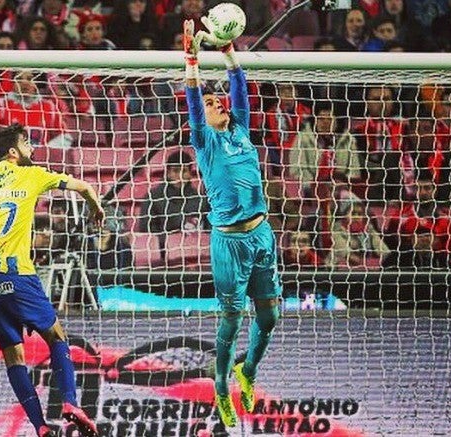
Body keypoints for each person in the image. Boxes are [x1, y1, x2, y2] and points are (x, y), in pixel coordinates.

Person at [0, 123, 103, 437]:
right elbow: (84, 188)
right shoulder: (33, 175)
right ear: (13, 152)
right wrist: (96, 209)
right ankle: (70, 402)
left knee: (13, 354)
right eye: (26, 143)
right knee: (56, 337)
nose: (31, 148)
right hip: (19, 276)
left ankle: (40, 426)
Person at [182, 21, 281, 427]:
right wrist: (190, 58)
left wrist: (227, 50)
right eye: (211, 104)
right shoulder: (204, 140)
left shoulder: (241, 128)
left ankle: (249, 371)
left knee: (270, 316)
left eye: (219, 101)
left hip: (261, 234)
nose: (218, 103)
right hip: (229, 243)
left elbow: (238, 82)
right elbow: (192, 97)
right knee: (231, 319)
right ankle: (221, 385)